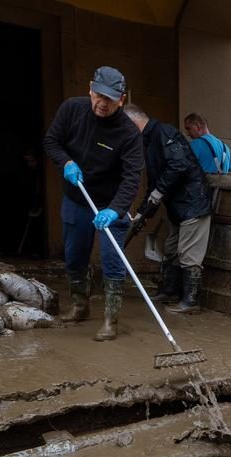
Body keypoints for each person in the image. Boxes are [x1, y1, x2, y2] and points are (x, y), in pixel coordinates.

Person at [43, 66, 144, 341]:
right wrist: (65, 162)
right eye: (98, 95)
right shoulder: (72, 110)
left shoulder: (128, 133)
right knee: (75, 256)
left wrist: (115, 209)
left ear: (121, 99)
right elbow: (52, 141)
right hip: (77, 197)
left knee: (113, 260)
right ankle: (79, 305)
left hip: (111, 203)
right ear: (90, 89)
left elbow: (131, 177)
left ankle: (111, 321)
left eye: (110, 99)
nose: (102, 103)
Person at [125, 104, 213, 314]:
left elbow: (179, 165)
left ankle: (190, 301)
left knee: (188, 253)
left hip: (193, 204)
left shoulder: (163, 133)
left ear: (133, 123)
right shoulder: (150, 142)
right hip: (177, 208)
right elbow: (154, 182)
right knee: (172, 249)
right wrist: (142, 212)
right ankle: (170, 291)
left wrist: (158, 192)